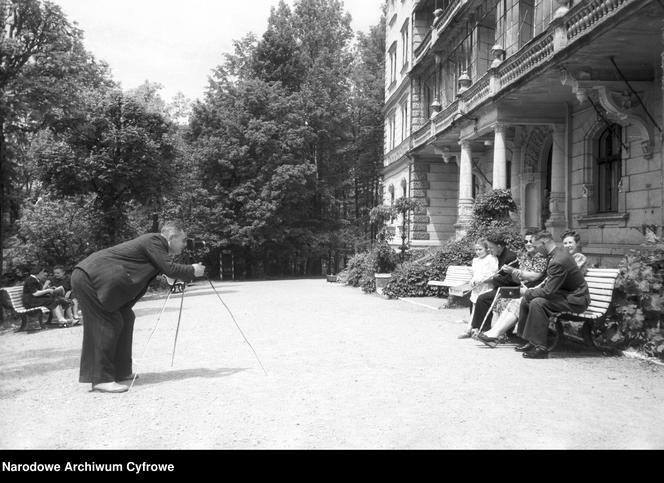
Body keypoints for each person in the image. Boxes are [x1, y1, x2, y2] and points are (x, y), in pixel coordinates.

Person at [71, 222, 206, 393]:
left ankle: (121, 371)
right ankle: (100, 379)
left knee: (126, 317)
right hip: (90, 278)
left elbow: (164, 270)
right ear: (171, 238)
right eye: (184, 240)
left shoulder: (156, 246)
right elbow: (170, 268)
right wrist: (192, 270)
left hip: (95, 278)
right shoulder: (155, 240)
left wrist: (174, 275)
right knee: (107, 323)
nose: (185, 245)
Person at [515, 230, 590, 359]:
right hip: (565, 295)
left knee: (537, 302)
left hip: (576, 300)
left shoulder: (558, 260)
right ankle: (530, 340)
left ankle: (541, 348)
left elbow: (549, 291)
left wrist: (528, 292)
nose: (536, 251)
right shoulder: (557, 254)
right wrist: (529, 294)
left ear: (544, 243)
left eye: (537, 246)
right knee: (528, 300)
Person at [476, 231, 548, 348]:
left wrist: (513, 271)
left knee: (509, 300)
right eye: (526, 241)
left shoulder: (541, 257)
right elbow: (517, 280)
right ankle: (493, 333)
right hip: (524, 289)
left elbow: (534, 276)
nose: (528, 244)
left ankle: (495, 334)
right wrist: (512, 273)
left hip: (534, 291)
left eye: (531, 241)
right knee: (503, 298)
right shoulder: (525, 257)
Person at [462, 234, 519, 337]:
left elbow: (510, 279)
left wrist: (493, 278)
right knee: (478, 299)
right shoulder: (498, 255)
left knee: (482, 299)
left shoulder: (510, 257)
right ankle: (480, 328)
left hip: (509, 289)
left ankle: (483, 329)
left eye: (491, 247)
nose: (489, 250)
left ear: (499, 246)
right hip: (500, 286)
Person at [458, 238, 498, 338]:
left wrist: (482, 280)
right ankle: (472, 328)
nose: (478, 252)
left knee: (482, 307)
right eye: (476, 250)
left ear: (487, 249)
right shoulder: (475, 260)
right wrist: (472, 281)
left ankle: (477, 329)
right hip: (476, 287)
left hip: (486, 287)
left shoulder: (491, 259)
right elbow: (474, 274)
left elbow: (492, 274)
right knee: (473, 306)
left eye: (480, 249)